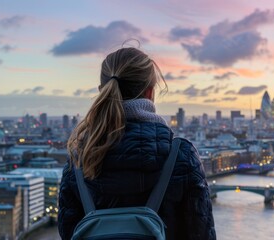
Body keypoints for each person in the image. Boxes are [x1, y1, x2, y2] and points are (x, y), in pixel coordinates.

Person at [58, 47, 216, 240]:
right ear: (150, 92)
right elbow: (201, 233)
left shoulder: (78, 161)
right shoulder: (180, 155)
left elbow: (68, 232)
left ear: (102, 91)